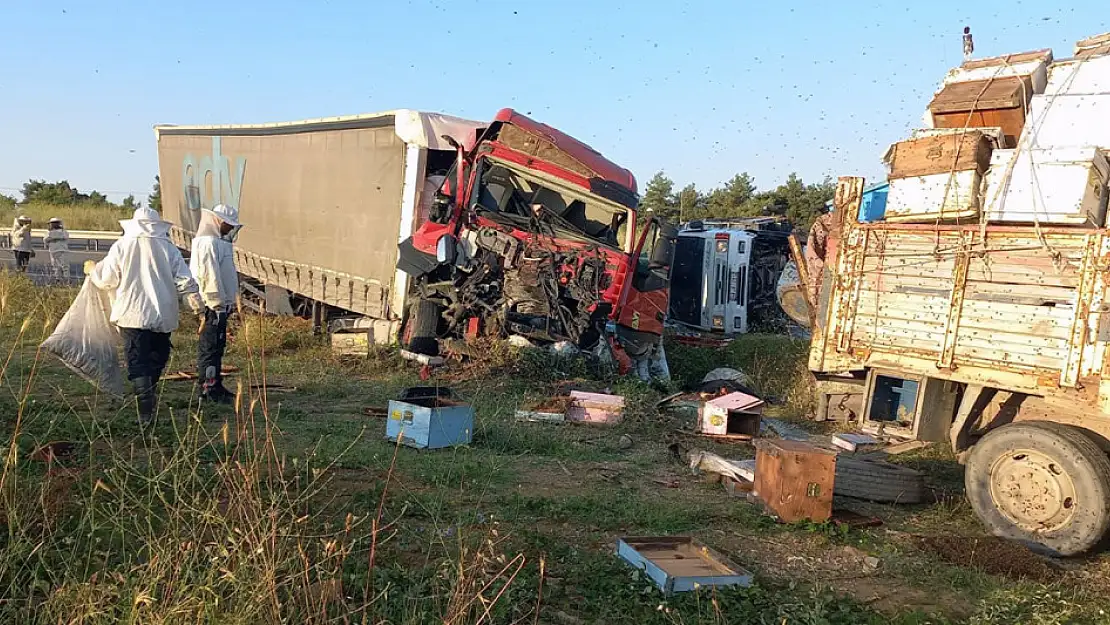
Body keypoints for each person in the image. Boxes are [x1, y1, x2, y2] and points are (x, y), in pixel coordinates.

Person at [89, 207, 202, 427]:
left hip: (132, 314)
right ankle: (147, 402)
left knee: (138, 360)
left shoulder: (121, 246)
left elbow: (107, 280)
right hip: (162, 314)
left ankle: (146, 409)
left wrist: (94, 272)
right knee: (158, 356)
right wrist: (198, 306)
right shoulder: (168, 247)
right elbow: (185, 280)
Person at [190, 203, 242, 404]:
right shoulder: (207, 243)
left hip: (219, 306)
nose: (230, 229)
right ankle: (208, 389)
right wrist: (217, 304)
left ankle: (215, 385)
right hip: (212, 306)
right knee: (210, 348)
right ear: (217, 221)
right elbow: (208, 277)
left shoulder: (216, 242)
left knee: (217, 347)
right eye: (228, 225)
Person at [44, 217, 70, 282]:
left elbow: (65, 237)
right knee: (56, 266)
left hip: (62, 250)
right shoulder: (49, 232)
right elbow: (45, 240)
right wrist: (54, 237)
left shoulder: (63, 231)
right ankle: (58, 278)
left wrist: (53, 238)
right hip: (54, 251)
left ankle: (66, 279)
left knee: (64, 265)